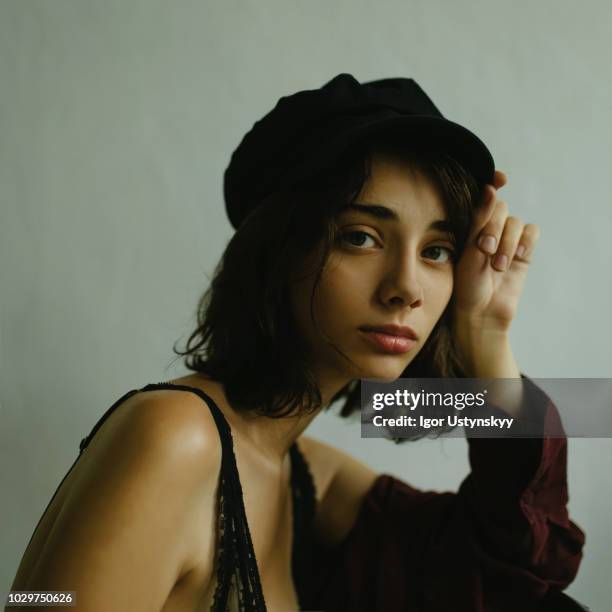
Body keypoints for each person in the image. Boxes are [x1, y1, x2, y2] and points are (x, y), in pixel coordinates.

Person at [8, 74, 586, 612]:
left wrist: (486, 337)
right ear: (279, 252)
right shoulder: (175, 438)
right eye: (361, 237)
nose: (406, 288)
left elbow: (511, 570)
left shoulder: (303, 471)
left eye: (436, 250)